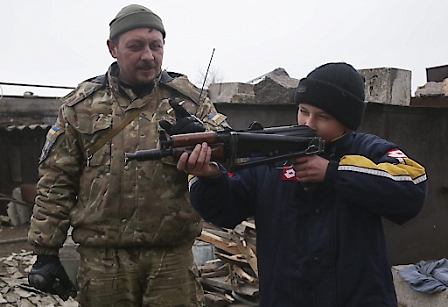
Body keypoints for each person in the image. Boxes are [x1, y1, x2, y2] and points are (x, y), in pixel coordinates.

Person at [177, 62, 428, 306]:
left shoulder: (367, 149)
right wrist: (210, 177)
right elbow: (225, 210)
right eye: (303, 111)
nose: (308, 123)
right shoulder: (271, 153)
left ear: (346, 121)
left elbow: (412, 187)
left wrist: (333, 172)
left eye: (323, 117)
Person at [27, 4, 227, 307]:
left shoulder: (189, 99)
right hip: (103, 262)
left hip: (170, 259)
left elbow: (229, 148)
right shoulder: (81, 105)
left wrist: (202, 135)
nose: (148, 56)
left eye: (155, 46)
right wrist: (45, 251)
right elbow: (57, 182)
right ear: (113, 48)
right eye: (135, 46)